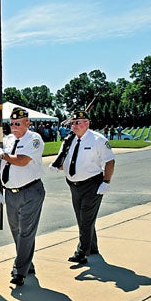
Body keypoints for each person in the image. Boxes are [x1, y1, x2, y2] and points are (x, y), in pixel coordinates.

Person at [50, 109, 115, 263]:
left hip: (92, 184)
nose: (75, 125)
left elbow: (110, 161)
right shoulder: (69, 140)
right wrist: (58, 166)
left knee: (85, 218)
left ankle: (82, 252)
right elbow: (66, 160)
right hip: (74, 185)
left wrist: (106, 182)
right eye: (73, 123)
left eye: (78, 123)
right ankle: (92, 247)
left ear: (87, 123)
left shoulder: (98, 140)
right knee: (82, 218)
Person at [0, 107, 45, 286]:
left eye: (18, 123)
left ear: (27, 123)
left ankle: (19, 270)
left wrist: (5, 155)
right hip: (10, 194)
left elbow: (22, 161)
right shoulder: (6, 140)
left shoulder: (34, 139)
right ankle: (27, 263)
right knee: (16, 231)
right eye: (12, 123)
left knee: (26, 231)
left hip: (30, 191)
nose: (14, 126)